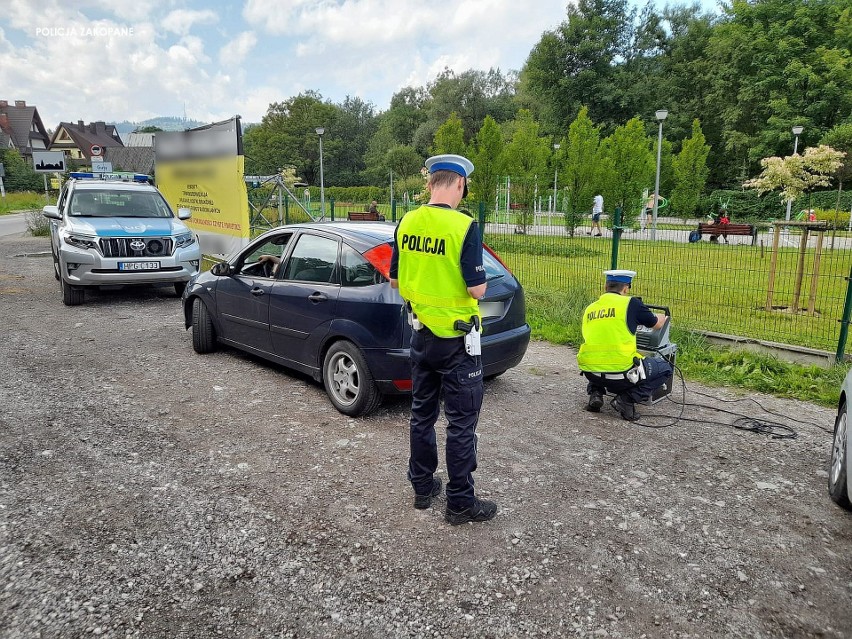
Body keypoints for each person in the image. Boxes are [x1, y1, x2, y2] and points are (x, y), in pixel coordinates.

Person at [389, 153, 496, 526]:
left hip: (420, 338)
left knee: (421, 416)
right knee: (461, 424)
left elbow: (394, 280)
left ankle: (422, 488)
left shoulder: (407, 221)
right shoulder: (464, 226)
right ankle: (460, 504)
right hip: (457, 342)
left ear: (431, 183)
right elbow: (478, 288)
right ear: (460, 185)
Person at [576, 270, 673, 421]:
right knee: (665, 369)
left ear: (605, 286)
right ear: (626, 288)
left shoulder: (590, 308)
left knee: (601, 358)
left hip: (591, 372)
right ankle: (626, 400)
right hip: (621, 374)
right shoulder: (631, 303)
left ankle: (596, 394)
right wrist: (662, 317)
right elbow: (656, 324)